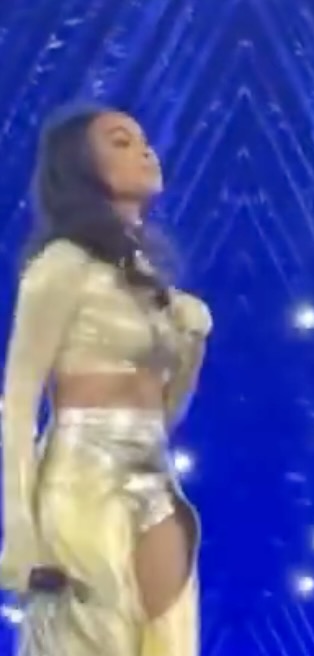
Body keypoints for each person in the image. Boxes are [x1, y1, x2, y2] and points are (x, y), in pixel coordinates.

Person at [0, 104, 211, 654]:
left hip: (156, 479)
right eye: (121, 142)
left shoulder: (149, 283)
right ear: (81, 167)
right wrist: (19, 531)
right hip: (83, 479)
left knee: (167, 640)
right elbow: (17, 400)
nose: (145, 150)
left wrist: (191, 348)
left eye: (143, 139)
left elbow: (164, 412)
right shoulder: (61, 266)